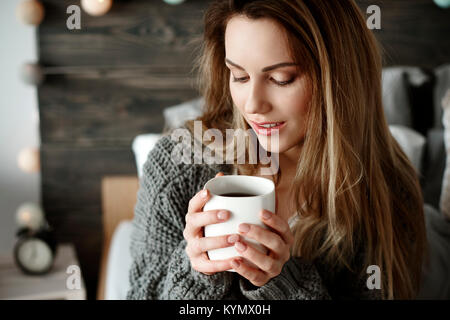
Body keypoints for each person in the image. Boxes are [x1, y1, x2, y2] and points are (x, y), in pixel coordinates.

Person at [126, 0, 428, 300]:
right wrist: (197, 271)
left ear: (338, 78)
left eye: (281, 79)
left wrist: (285, 284)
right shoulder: (179, 163)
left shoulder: (385, 192)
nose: (253, 104)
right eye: (240, 76)